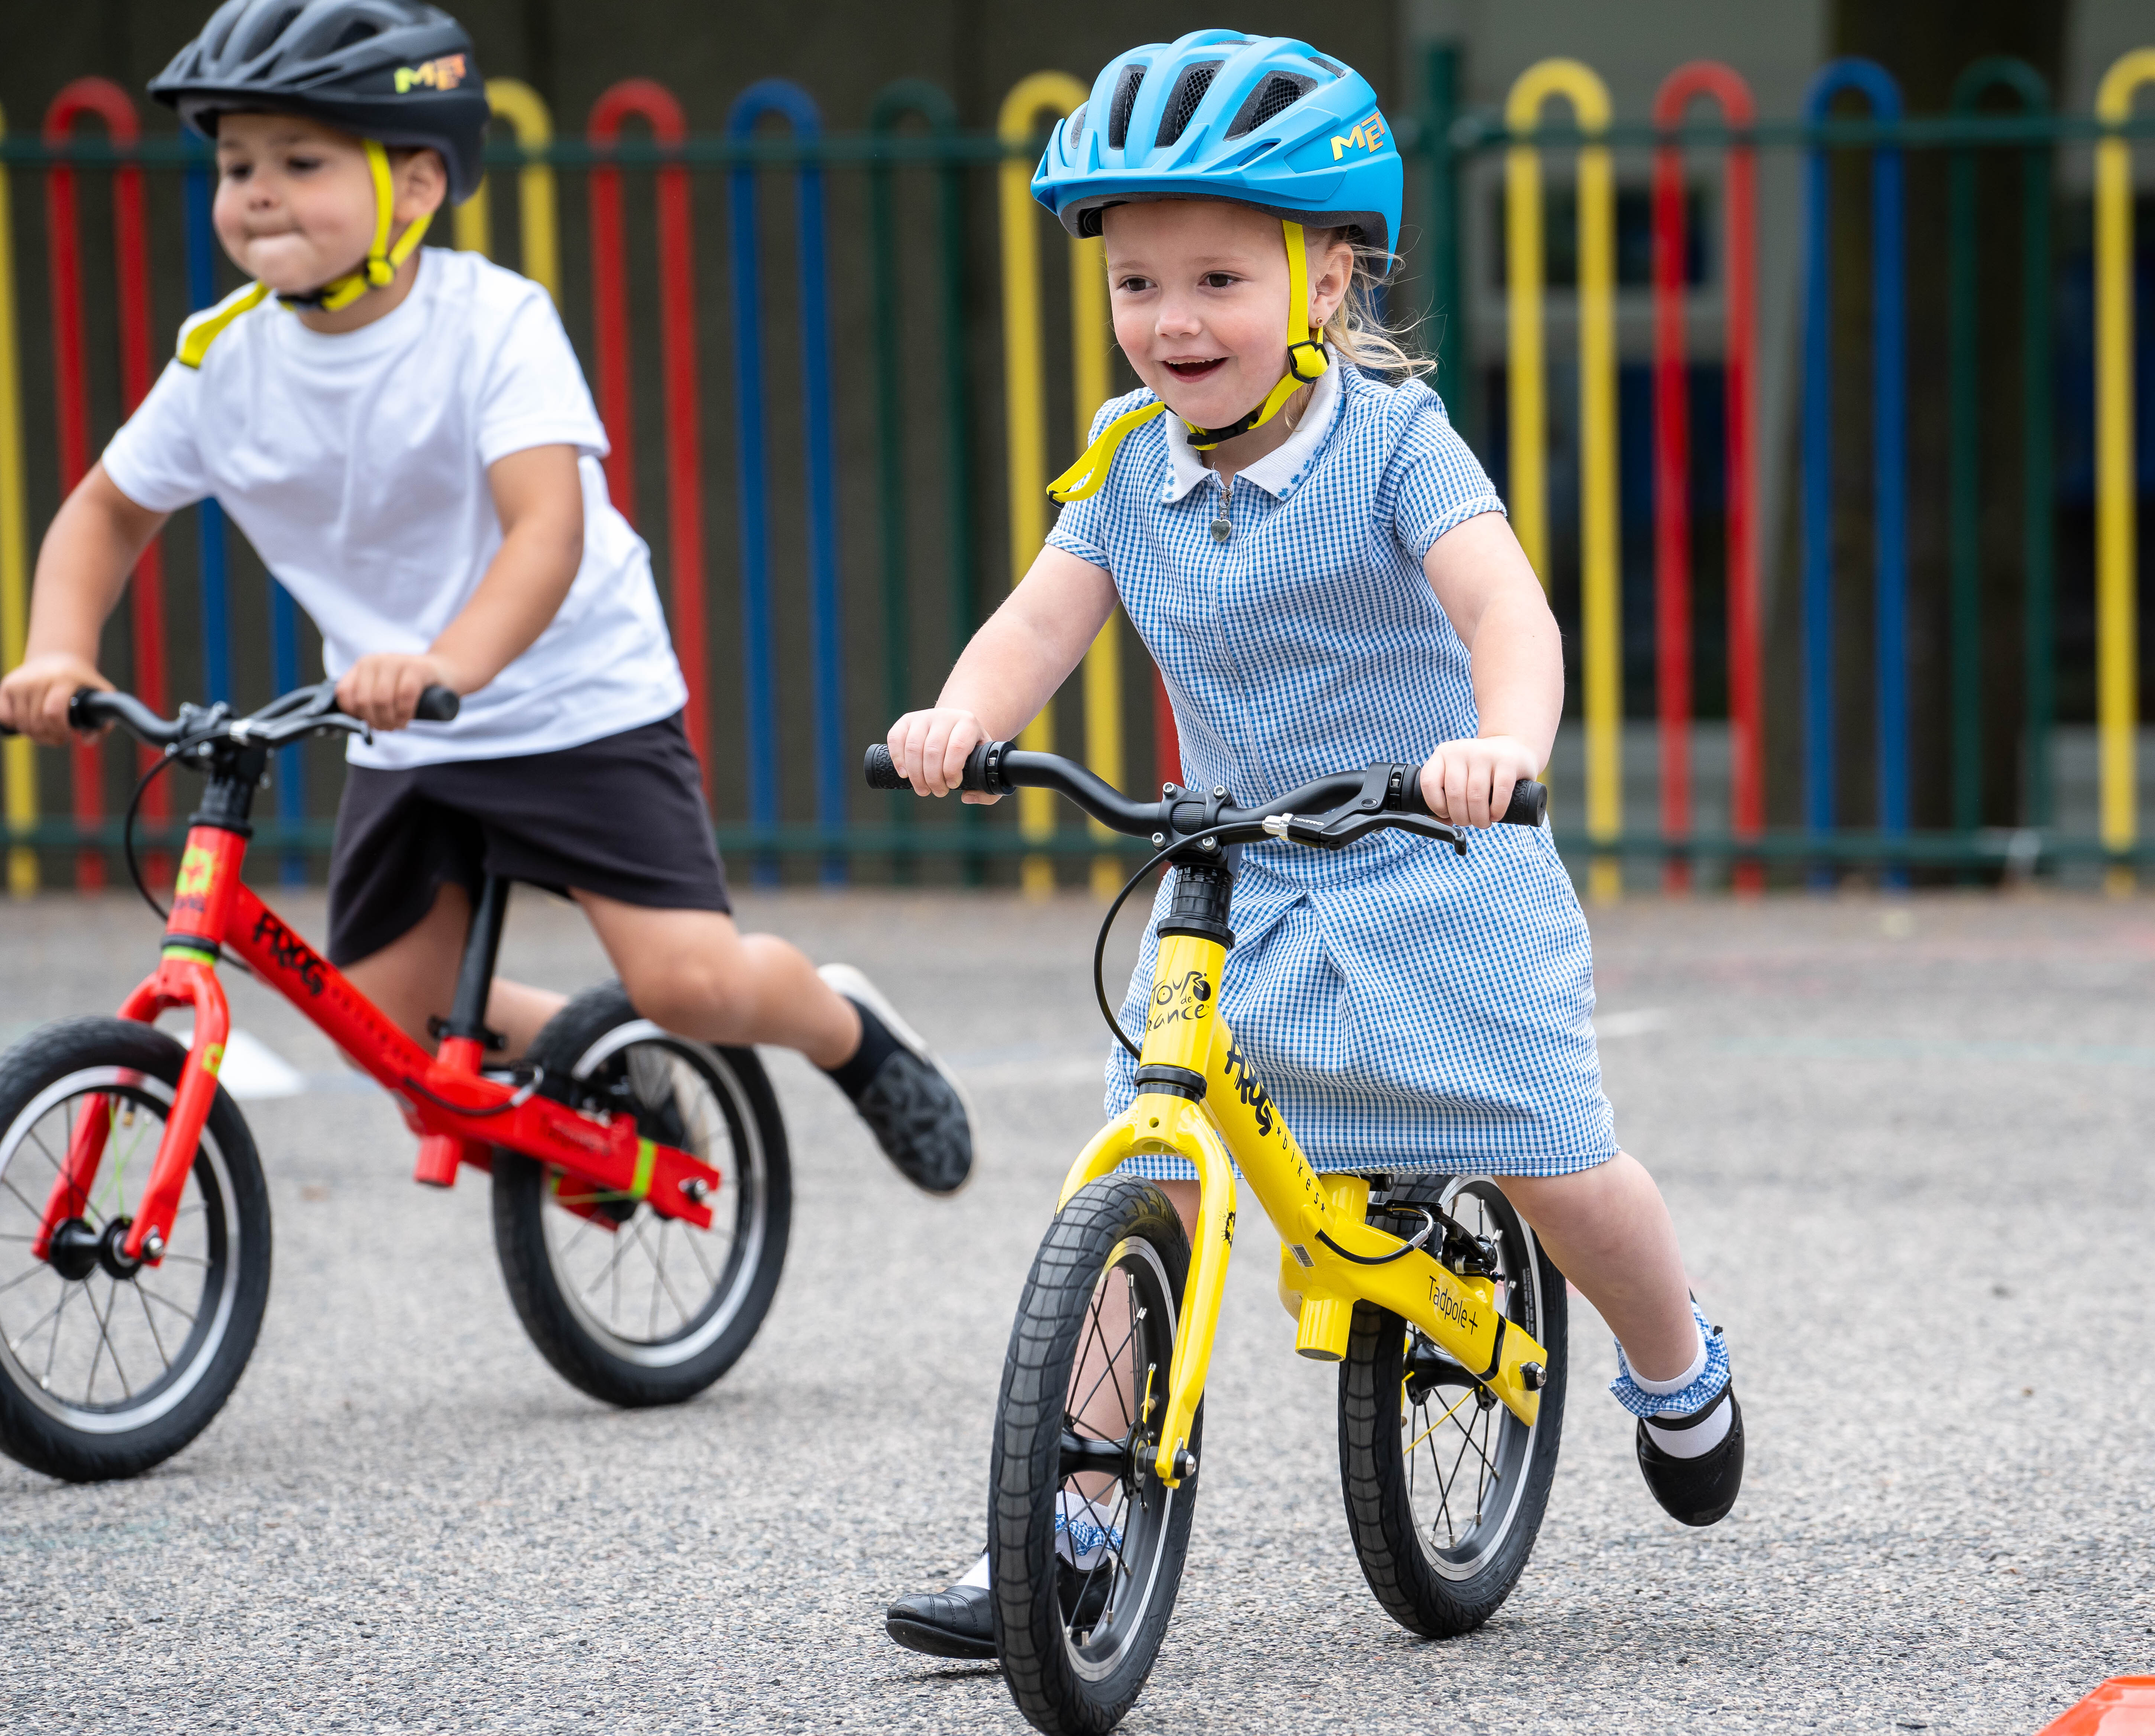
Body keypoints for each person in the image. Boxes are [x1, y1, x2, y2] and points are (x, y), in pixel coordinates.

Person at [878, 32, 1741, 1660]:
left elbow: (1509, 613)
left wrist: (1503, 748)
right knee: (1148, 1166)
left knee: (1553, 1157)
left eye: (1218, 279)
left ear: (1327, 284)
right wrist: (959, 718)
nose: (1173, 321)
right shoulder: (1124, 461)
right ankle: (1070, 1530)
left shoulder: (1394, 444)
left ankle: (1674, 1361)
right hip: (1240, 872)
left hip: (1436, 857)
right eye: (1138, 284)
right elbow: (1040, 623)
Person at [0, 0, 974, 1194]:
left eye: (301, 163)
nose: (257, 193)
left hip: (573, 700)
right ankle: (601, 1061)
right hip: (404, 724)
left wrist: (447, 663)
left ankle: (842, 1026)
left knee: (689, 984)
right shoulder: (220, 358)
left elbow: (546, 533)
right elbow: (107, 512)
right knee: (380, 1017)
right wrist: (58, 651)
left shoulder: (490, 324)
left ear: (416, 185)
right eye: (236, 165)